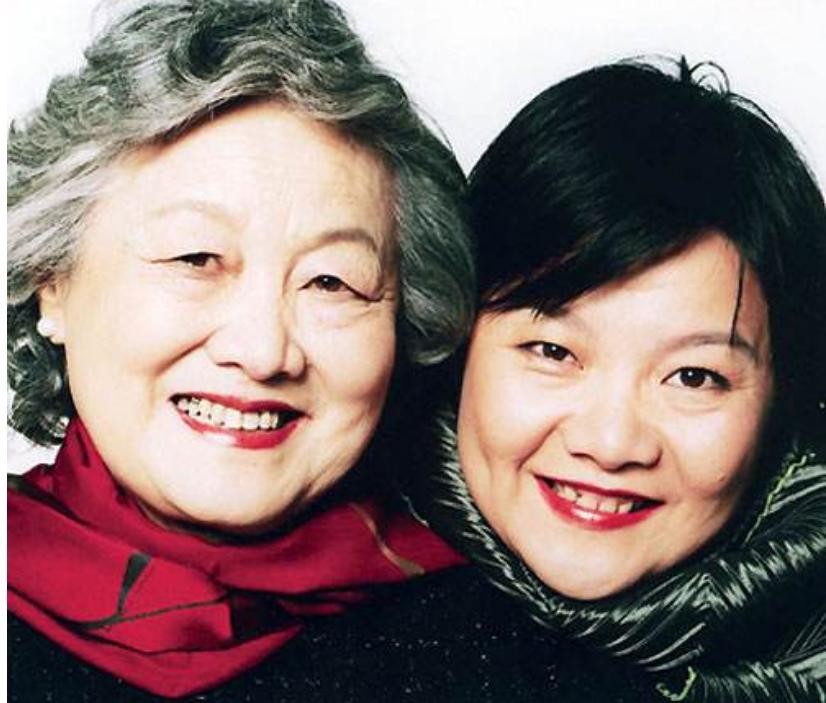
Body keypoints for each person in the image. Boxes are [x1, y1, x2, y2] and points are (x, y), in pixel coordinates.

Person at [7, 0, 474, 698]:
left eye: (331, 281)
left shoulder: (496, 639)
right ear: (53, 285)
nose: (262, 351)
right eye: (196, 258)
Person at [397, 59, 825, 702]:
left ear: (780, 402)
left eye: (693, 376)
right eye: (553, 351)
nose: (610, 443)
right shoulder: (314, 621)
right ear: (458, 345)